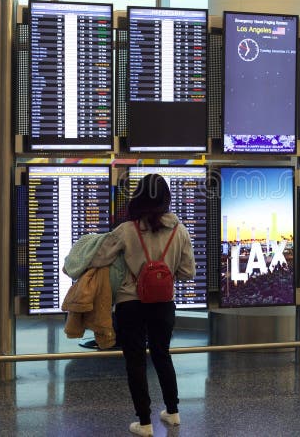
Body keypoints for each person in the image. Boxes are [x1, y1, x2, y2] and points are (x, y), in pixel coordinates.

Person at [93, 173, 195, 436]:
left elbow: (100, 258)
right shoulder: (180, 231)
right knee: (162, 354)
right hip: (163, 304)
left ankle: (145, 423)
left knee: (135, 362)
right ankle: (172, 413)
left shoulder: (127, 230)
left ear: (137, 196)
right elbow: (188, 272)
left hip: (131, 304)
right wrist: (165, 272)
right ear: (166, 198)